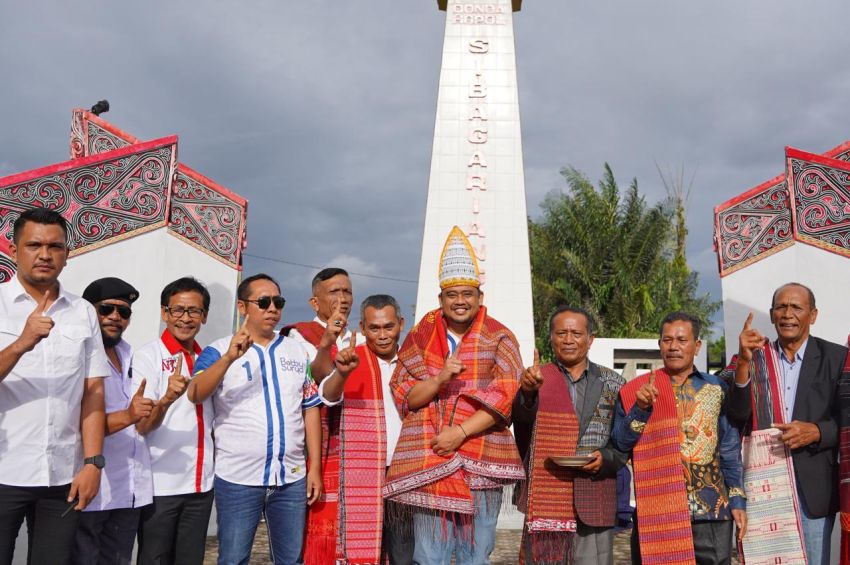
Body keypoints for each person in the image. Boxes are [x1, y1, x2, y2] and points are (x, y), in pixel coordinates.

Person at [383, 226, 525, 565]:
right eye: (452, 295)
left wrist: (458, 433)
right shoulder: (420, 337)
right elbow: (406, 396)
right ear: (441, 300)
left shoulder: (500, 337)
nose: (460, 301)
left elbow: (505, 397)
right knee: (429, 556)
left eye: (467, 293)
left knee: (475, 556)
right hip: (430, 458)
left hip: (481, 459)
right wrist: (441, 378)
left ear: (479, 297)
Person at [187, 273, 324, 565]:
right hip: (238, 478)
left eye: (278, 301)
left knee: (290, 560)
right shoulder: (217, 349)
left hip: (291, 478)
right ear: (242, 307)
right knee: (234, 559)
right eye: (263, 302)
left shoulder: (296, 351)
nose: (272, 308)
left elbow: (310, 407)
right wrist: (228, 359)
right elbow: (195, 392)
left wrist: (315, 470)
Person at [0, 208, 109, 565]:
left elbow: (92, 391)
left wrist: (93, 463)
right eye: (34, 245)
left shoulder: (82, 312)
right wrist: (20, 344)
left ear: (67, 253)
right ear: (14, 249)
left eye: (55, 246)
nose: (45, 254)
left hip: (63, 475)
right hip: (4, 470)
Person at [725, 283, 847, 565]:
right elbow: (738, 415)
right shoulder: (754, 357)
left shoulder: (837, 358)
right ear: (771, 315)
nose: (787, 314)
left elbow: (846, 418)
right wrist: (743, 362)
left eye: (796, 307)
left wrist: (816, 432)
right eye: (781, 307)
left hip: (812, 490)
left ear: (813, 315)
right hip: (762, 487)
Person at [612, 311, 747, 565]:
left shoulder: (717, 389)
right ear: (659, 344)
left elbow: (729, 449)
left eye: (681, 340)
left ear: (696, 346)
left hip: (712, 511)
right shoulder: (634, 391)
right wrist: (640, 409)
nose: (673, 346)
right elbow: (620, 444)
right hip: (657, 511)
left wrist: (738, 499)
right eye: (667, 340)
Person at [512, 306, 627, 565]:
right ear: (551, 337)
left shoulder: (614, 382)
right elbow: (521, 424)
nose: (568, 339)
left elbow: (623, 440)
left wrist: (606, 458)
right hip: (546, 495)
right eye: (561, 333)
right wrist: (528, 394)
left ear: (590, 339)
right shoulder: (537, 378)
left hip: (594, 496)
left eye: (576, 333)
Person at [315, 294, 414, 564]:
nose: (382, 335)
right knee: (363, 549)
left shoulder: (414, 362)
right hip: (364, 470)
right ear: (362, 326)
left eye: (388, 326)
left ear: (401, 324)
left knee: (403, 552)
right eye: (374, 328)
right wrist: (343, 374)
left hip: (405, 471)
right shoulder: (352, 358)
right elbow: (327, 396)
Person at [131, 277, 215, 565]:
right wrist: (166, 398)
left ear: (204, 316)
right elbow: (141, 425)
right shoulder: (148, 357)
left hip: (200, 486)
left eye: (194, 311)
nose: (185, 318)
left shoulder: (209, 360)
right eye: (178, 310)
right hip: (160, 487)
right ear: (164, 313)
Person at [73, 277, 153, 565]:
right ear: (88, 311)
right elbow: (75, 424)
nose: (115, 317)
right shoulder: (76, 355)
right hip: (92, 488)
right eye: (106, 309)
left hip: (129, 489)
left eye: (124, 312)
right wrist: (129, 416)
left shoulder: (131, 354)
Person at [281, 267, 357, 564]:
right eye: (334, 292)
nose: (343, 298)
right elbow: (317, 380)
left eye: (347, 291)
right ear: (315, 302)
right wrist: (327, 340)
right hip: (316, 440)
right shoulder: (298, 335)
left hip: (354, 440)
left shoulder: (362, 336)